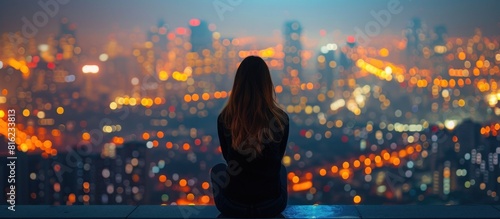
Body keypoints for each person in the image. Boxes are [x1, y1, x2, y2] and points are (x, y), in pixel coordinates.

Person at [210, 56, 290, 218]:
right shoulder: (280, 119)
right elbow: (278, 157)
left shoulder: (225, 118)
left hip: (233, 206)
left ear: (238, 84)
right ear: (267, 84)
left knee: (218, 170)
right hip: (271, 205)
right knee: (281, 169)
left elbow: (228, 159)